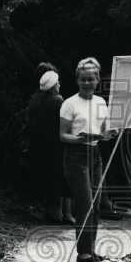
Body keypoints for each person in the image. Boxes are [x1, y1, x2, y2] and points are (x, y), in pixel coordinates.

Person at [60, 57, 118, 262]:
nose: (87, 83)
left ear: (97, 80)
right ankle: (83, 253)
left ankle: (91, 249)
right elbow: (62, 135)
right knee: (85, 204)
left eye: (91, 79)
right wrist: (80, 138)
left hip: (95, 156)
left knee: (96, 204)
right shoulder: (69, 104)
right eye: (83, 79)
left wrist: (109, 133)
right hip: (76, 156)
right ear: (77, 80)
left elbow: (103, 130)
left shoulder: (101, 102)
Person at [27, 62, 74, 225]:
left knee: (49, 179)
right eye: (58, 82)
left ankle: (54, 211)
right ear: (53, 85)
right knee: (62, 178)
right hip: (57, 144)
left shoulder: (35, 99)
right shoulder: (57, 100)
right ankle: (62, 213)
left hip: (40, 145)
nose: (60, 84)